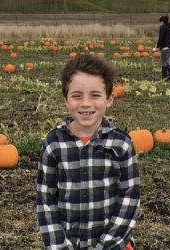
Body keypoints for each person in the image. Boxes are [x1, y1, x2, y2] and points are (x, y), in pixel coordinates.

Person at [36, 54, 140, 250]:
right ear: (66, 100)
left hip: (113, 244)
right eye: (77, 95)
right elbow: (46, 199)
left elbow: (129, 199)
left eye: (95, 95)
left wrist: (106, 246)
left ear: (109, 99)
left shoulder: (122, 144)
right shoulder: (53, 144)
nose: (85, 103)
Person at [157, 15, 170, 80]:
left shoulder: (163, 27)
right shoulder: (168, 28)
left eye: (160, 22)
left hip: (167, 47)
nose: (159, 23)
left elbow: (161, 38)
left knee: (163, 63)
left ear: (162, 21)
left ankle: (164, 78)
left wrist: (158, 46)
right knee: (165, 61)